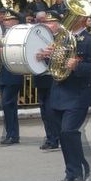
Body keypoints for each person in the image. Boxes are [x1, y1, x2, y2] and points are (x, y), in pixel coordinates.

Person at [37, 5, 91, 181]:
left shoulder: (89, 40)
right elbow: (56, 63)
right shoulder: (61, 39)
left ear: (82, 19)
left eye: (72, 15)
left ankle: (82, 166)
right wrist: (45, 56)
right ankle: (71, 172)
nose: (68, 17)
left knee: (69, 131)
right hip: (59, 91)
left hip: (78, 93)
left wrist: (78, 66)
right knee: (62, 134)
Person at [35, 11, 61, 149]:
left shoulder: (62, 39)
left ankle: (56, 138)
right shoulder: (40, 37)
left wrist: (47, 56)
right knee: (44, 109)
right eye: (45, 23)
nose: (47, 25)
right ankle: (50, 137)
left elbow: (63, 58)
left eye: (50, 22)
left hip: (54, 77)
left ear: (58, 24)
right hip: (41, 76)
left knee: (52, 110)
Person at [0, 9, 23, 145]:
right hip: (4, 72)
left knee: (8, 104)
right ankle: (12, 134)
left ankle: (12, 134)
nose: (5, 22)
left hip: (13, 72)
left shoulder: (18, 34)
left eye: (8, 20)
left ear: (15, 21)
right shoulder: (6, 33)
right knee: (8, 105)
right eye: (5, 20)